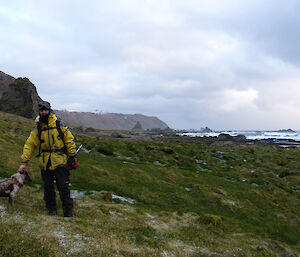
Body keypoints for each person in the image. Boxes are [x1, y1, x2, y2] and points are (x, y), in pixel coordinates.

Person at [18, 101, 77, 217]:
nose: (43, 112)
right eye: (41, 110)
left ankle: (68, 212)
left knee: (63, 186)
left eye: (45, 110)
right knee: (48, 187)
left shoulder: (59, 124)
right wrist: (24, 161)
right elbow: (30, 145)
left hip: (60, 161)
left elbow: (69, 140)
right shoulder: (38, 128)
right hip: (45, 162)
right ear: (39, 111)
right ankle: (51, 210)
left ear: (49, 110)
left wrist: (72, 156)